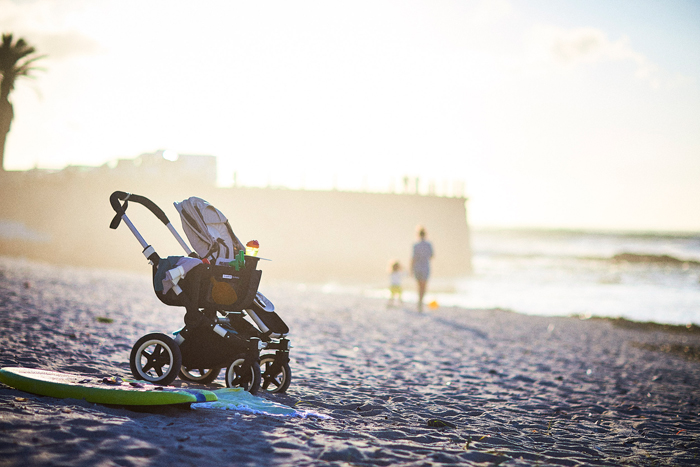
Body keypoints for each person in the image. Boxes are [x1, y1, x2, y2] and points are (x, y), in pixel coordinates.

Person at [411, 226, 433, 312]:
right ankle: (421, 301)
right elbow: (431, 256)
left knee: (419, 286)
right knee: (424, 286)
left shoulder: (415, 245)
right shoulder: (428, 244)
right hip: (425, 267)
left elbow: (413, 258)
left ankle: (419, 301)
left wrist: (411, 269)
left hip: (417, 267)